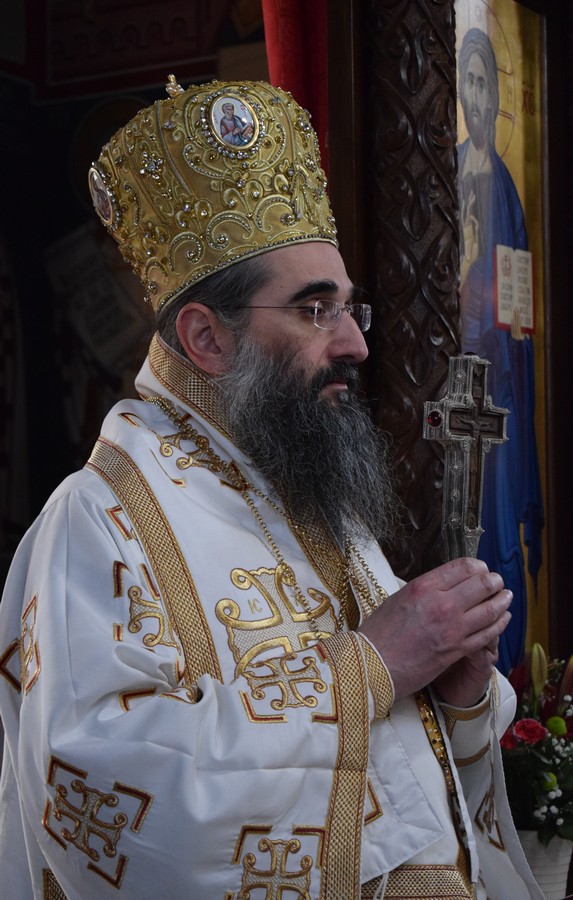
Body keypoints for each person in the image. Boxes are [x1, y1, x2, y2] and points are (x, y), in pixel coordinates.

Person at [0, 77, 543, 899]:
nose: (355, 343)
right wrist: (369, 670)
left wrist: (454, 705)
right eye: (316, 309)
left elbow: (408, 798)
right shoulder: (101, 521)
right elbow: (100, 798)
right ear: (206, 338)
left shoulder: (309, 500)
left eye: (350, 309)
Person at [457, 28, 545, 674]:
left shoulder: (506, 188)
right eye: (468, 81)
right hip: (454, 383)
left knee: (500, 514)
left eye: (484, 81)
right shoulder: (451, 167)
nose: (476, 94)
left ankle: (508, 668)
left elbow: (518, 307)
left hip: (500, 386)